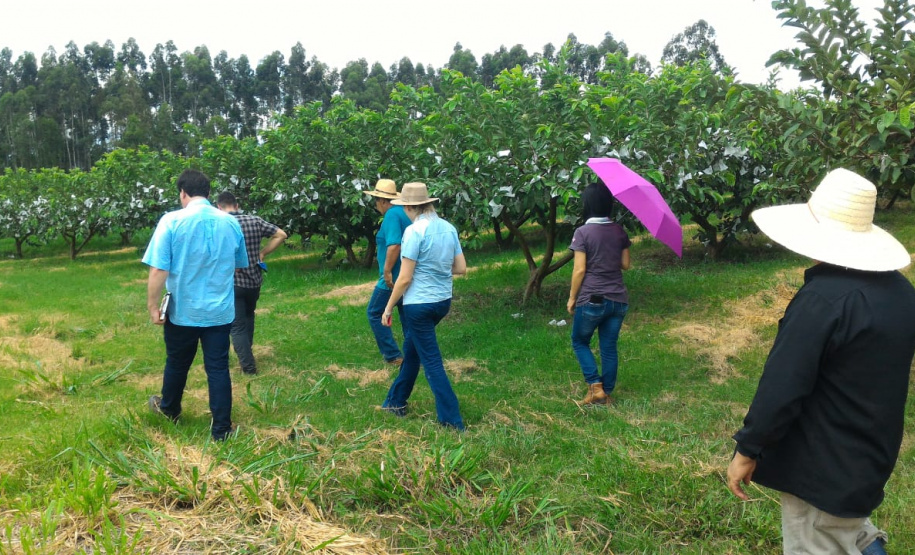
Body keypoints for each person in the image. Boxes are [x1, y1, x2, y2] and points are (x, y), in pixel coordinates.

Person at [726, 168, 915, 554]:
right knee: (850, 529)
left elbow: (783, 385)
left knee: (821, 535)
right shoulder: (900, 292)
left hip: (820, 465)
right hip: (865, 457)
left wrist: (748, 449)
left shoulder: (824, 300)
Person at [143, 170, 249, 441]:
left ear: (183, 193)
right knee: (218, 367)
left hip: (183, 311)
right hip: (219, 311)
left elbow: (158, 269)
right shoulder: (230, 223)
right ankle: (221, 429)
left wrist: (153, 306)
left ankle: (169, 410)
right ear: (209, 193)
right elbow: (239, 264)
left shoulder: (171, 221)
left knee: (177, 363)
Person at [379, 182, 467, 430]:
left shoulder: (414, 231)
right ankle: (395, 402)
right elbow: (460, 267)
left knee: (432, 363)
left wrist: (388, 308)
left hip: (419, 306)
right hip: (442, 302)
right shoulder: (449, 228)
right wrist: (436, 267)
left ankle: (452, 420)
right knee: (412, 352)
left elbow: (404, 278)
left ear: (409, 207)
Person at [566, 182, 631, 405]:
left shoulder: (582, 232)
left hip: (593, 299)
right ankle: (607, 392)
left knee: (579, 341)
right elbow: (625, 264)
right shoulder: (619, 230)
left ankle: (595, 387)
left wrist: (572, 298)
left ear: (587, 205)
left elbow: (579, 269)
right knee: (609, 347)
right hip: (618, 300)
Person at [216, 191, 288, 375]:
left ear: (218, 207)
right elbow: (281, 234)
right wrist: (262, 253)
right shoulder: (254, 221)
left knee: (237, 326)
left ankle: (248, 368)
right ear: (237, 205)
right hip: (254, 281)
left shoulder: (219, 225)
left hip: (232, 282)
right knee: (249, 316)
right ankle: (247, 353)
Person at [364, 179, 412, 365]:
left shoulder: (391, 215)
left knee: (375, 312)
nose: (376, 205)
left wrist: (387, 272)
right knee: (407, 317)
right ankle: (414, 355)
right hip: (408, 275)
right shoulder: (405, 212)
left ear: (383, 201)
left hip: (393, 278)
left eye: (376, 200)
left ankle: (393, 355)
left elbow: (394, 245)